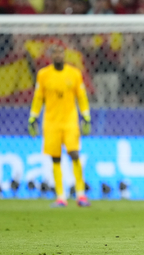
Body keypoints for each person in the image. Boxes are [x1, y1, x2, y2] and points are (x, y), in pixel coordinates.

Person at [28, 44, 91, 207]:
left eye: (60, 53)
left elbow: (81, 96)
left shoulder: (74, 73)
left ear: (64, 55)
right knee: (55, 158)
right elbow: (38, 97)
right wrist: (33, 117)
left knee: (74, 154)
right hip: (51, 122)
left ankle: (81, 195)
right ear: (51, 56)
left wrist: (86, 115)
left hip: (70, 120)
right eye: (55, 53)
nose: (58, 56)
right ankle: (61, 197)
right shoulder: (43, 75)